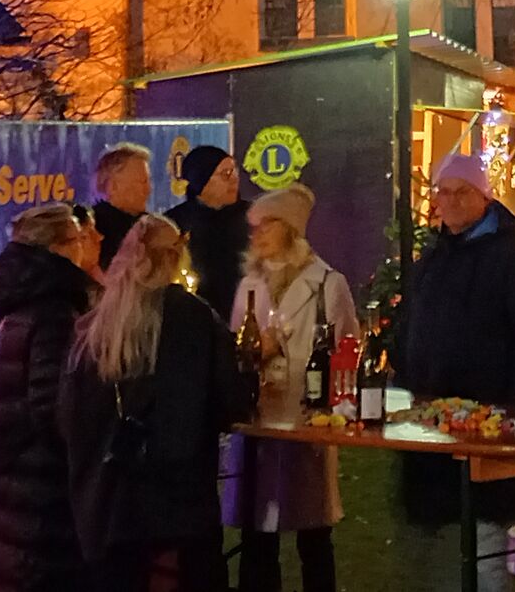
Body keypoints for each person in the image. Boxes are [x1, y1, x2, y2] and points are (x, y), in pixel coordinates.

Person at [60, 213, 249, 592]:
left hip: (110, 501)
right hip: (180, 502)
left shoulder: (95, 325)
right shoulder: (194, 318)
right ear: (176, 256)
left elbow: (68, 415)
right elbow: (230, 403)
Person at [397, 150, 515, 592]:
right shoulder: (434, 257)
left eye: (459, 192)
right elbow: (412, 326)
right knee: (436, 535)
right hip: (430, 420)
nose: (448, 202)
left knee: (485, 534)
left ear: (482, 196)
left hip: (487, 422)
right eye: (441, 193)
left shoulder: (511, 256)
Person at [0, 204, 101, 592]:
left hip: (9, 461)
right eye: (78, 238)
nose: (86, 246)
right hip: (37, 482)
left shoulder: (19, 298)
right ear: (59, 247)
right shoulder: (55, 308)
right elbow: (52, 402)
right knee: (30, 569)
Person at [226, 185, 357, 592]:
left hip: (306, 424)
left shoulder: (327, 285)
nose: (257, 234)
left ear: (290, 229)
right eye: (254, 226)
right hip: (259, 423)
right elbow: (234, 352)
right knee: (257, 535)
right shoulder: (249, 285)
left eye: (268, 224)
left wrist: (337, 413)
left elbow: (347, 354)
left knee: (313, 535)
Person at [168, 144, 250, 322]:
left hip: (246, 317)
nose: (234, 179)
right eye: (225, 174)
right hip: (192, 320)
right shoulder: (174, 224)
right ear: (201, 180)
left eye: (234, 171)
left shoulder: (254, 217)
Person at [91, 144, 154, 269]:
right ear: (113, 186)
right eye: (141, 182)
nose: (147, 190)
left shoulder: (151, 226)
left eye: (147, 181)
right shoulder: (94, 231)